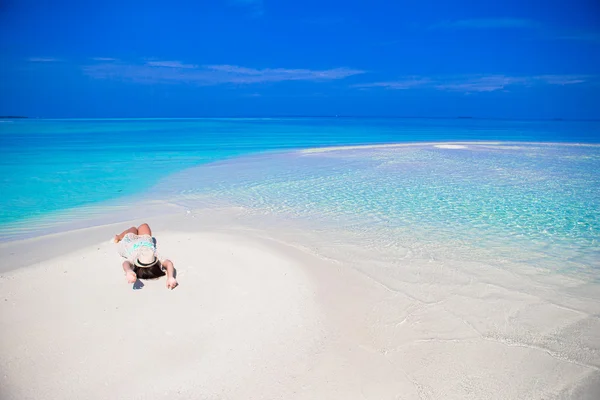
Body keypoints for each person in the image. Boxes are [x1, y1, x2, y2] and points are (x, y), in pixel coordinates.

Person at [113, 223, 178, 290]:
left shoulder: (134, 257)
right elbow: (169, 263)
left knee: (133, 229)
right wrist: (170, 277)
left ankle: (118, 237)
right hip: (145, 240)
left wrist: (128, 271)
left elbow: (126, 263)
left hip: (129, 242)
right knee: (144, 225)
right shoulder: (154, 256)